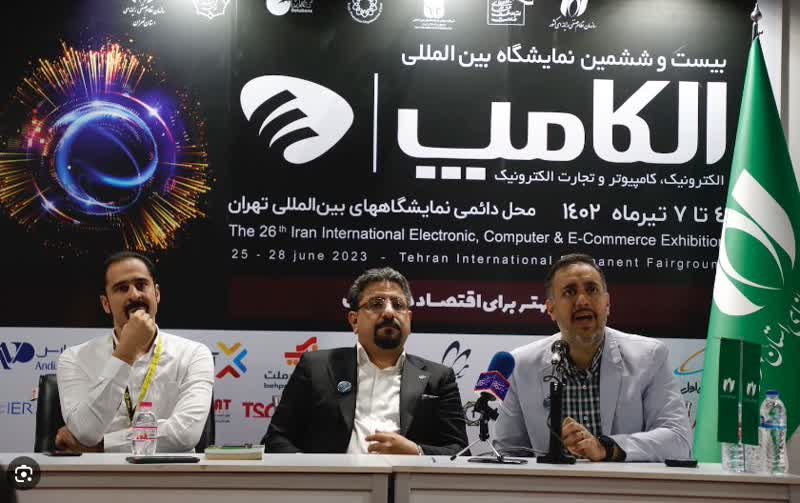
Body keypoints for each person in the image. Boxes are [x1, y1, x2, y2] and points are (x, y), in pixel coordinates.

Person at [494, 253, 691, 462]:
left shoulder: (649, 357)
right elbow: (507, 453)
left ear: (607, 303)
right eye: (570, 292)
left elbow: (678, 441)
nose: (582, 301)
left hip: (623, 483)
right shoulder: (521, 366)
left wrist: (607, 448)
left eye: (591, 290)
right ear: (551, 309)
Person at [263, 267, 468, 455]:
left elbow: (459, 451)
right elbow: (276, 439)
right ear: (354, 320)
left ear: (409, 318)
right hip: (332, 482)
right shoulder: (316, 366)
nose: (389, 312)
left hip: (407, 482)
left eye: (398, 305)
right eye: (376, 304)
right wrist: (313, 472)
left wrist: (417, 452)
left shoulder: (438, 378)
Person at [55, 251, 214, 452]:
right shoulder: (74, 358)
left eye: (141, 285)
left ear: (157, 294)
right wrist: (126, 353)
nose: (134, 295)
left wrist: (102, 445)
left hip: (169, 470)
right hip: (100, 471)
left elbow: (185, 433)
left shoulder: (194, 354)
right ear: (106, 304)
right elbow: (86, 432)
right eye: (122, 288)